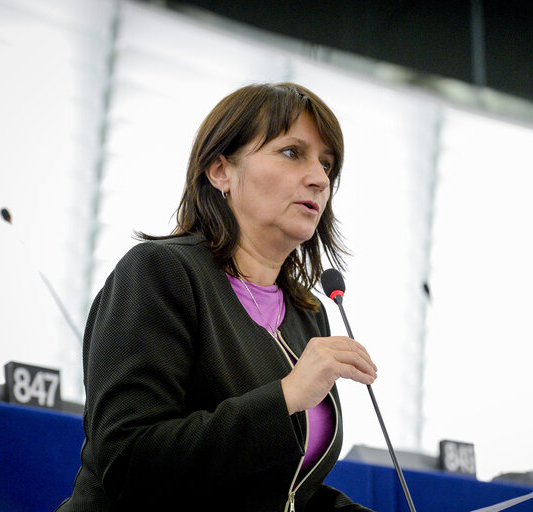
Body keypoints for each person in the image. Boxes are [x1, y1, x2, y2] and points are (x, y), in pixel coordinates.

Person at [56, 83, 378, 511]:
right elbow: (129, 462)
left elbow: (285, 489)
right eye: (291, 152)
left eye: (327, 163)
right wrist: (285, 396)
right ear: (220, 170)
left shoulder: (308, 313)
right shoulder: (160, 273)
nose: (319, 179)